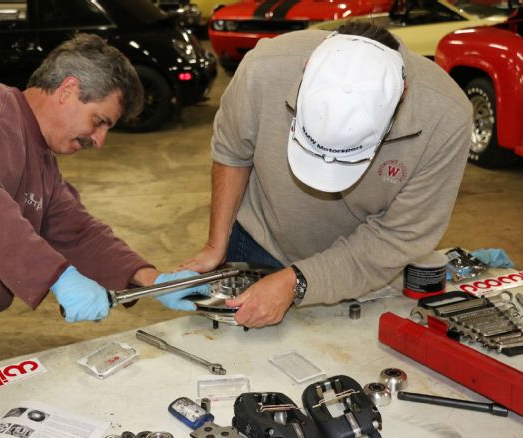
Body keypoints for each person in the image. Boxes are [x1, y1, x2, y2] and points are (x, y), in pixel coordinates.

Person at [0, 34, 207, 388]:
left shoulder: (40, 158)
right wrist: (58, 277)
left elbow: (76, 230)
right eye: (99, 120)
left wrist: (151, 280)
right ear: (68, 90)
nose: (100, 140)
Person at [181, 22, 472, 328]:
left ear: (402, 95)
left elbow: (398, 236)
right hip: (261, 240)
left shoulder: (446, 118)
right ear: (305, 70)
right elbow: (232, 151)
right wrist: (217, 244)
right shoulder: (264, 69)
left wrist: (298, 281)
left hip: (362, 266)